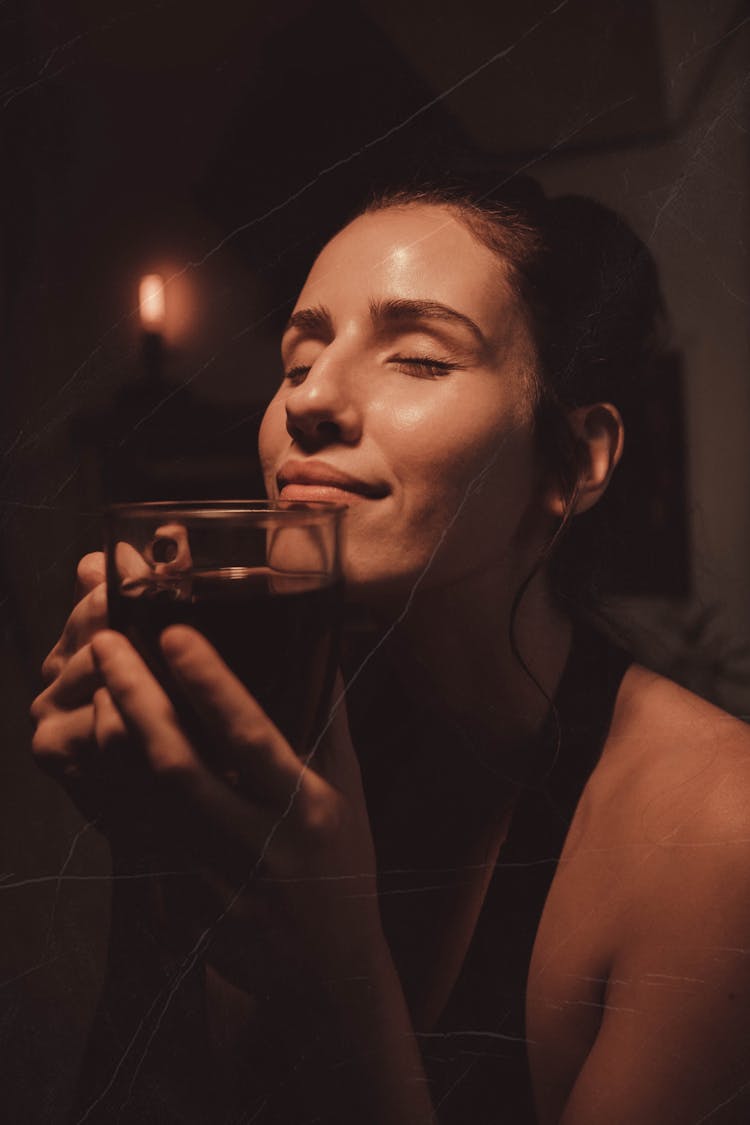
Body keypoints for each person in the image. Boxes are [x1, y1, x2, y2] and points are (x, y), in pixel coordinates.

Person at [30, 172, 750, 1124]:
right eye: (295, 362)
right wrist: (162, 840)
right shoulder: (290, 720)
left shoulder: (718, 834)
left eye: (416, 358)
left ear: (575, 463)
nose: (310, 401)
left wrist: (338, 969)